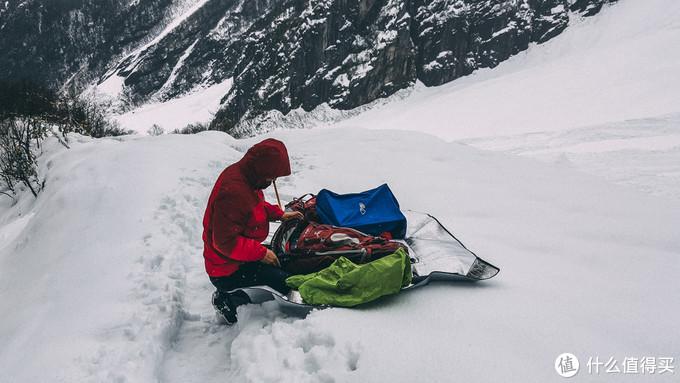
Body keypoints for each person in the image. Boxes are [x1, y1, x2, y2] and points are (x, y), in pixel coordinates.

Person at [202, 138, 303, 324]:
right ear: (262, 169)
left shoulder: (246, 177)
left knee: (284, 259)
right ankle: (228, 299)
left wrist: (279, 214)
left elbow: (253, 207)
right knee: (284, 281)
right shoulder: (234, 191)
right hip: (225, 269)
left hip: (236, 256)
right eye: (271, 177)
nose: (272, 181)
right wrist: (262, 253)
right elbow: (224, 242)